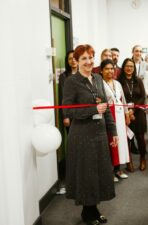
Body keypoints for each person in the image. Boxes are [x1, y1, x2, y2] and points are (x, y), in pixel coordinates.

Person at [63, 44, 118, 225]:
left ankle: (93, 208)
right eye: (84, 59)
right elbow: (68, 111)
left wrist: (113, 131)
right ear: (76, 62)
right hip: (82, 135)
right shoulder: (72, 82)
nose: (88, 62)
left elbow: (106, 108)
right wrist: (92, 109)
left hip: (100, 133)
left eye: (90, 58)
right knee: (86, 174)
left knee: (98, 173)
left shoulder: (97, 78)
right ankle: (88, 212)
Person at [100, 59, 131, 182]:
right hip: (109, 116)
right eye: (107, 69)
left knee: (121, 142)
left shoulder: (117, 83)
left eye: (112, 68)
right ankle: (110, 171)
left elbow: (123, 100)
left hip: (119, 116)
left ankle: (118, 169)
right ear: (101, 71)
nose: (110, 71)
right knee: (110, 142)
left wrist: (127, 114)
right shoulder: (100, 84)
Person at [118, 58, 147, 171]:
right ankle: (128, 161)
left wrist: (133, 110)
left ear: (134, 68)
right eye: (127, 66)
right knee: (127, 139)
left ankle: (142, 159)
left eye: (131, 66)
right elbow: (119, 98)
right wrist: (127, 111)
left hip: (138, 112)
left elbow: (142, 97)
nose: (129, 68)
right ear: (123, 68)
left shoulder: (138, 80)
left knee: (140, 137)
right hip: (124, 113)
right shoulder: (119, 81)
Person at [57, 50, 78, 194]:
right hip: (70, 116)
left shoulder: (84, 74)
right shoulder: (64, 77)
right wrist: (65, 116)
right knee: (73, 145)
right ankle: (73, 176)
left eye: (74, 58)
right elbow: (63, 98)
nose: (73, 61)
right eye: (70, 59)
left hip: (84, 115)